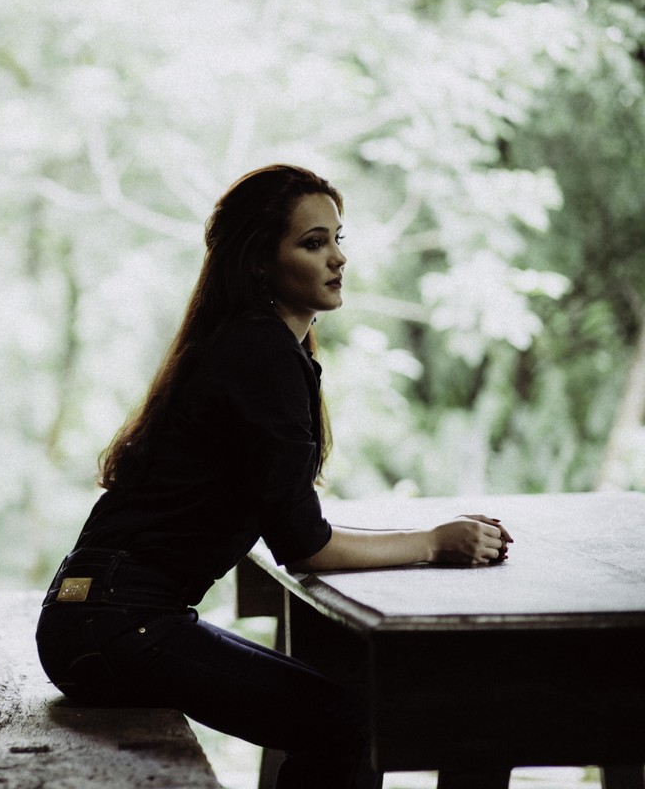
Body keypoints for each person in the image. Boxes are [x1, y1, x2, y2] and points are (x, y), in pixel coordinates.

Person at [35, 164, 512, 788]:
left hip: (92, 615)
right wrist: (433, 543)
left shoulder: (244, 345)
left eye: (339, 239)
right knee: (346, 725)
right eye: (313, 243)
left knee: (338, 714)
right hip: (122, 625)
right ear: (259, 261)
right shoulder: (261, 355)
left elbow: (291, 524)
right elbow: (305, 546)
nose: (337, 258)